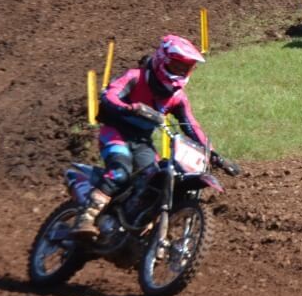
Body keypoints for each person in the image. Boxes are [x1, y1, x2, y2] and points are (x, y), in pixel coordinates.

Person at [73, 35, 215, 237]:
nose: (181, 72)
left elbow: (191, 126)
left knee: (155, 179)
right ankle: (86, 218)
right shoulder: (136, 77)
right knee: (120, 172)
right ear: (163, 60)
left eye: (186, 68)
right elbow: (109, 95)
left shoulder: (177, 97)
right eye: (177, 66)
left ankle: (138, 226)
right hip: (116, 133)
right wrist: (130, 108)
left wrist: (214, 154)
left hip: (142, 142)